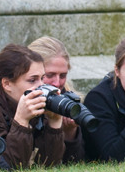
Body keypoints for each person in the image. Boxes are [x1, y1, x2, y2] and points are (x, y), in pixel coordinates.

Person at [0, 44, 65, 169]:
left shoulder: (36, 102)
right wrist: (21, 121)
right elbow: (11, 167)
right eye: (32, 80)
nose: (41, 86)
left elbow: (48, 165)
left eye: (42, 78)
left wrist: (55, 122)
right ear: (7, 84)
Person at [28, 36, 85, 164]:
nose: (57, 83)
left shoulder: (66, 99)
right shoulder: (18, 99)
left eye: (63, 75)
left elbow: (74, 164)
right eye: (50, 75)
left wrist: (70, 133)